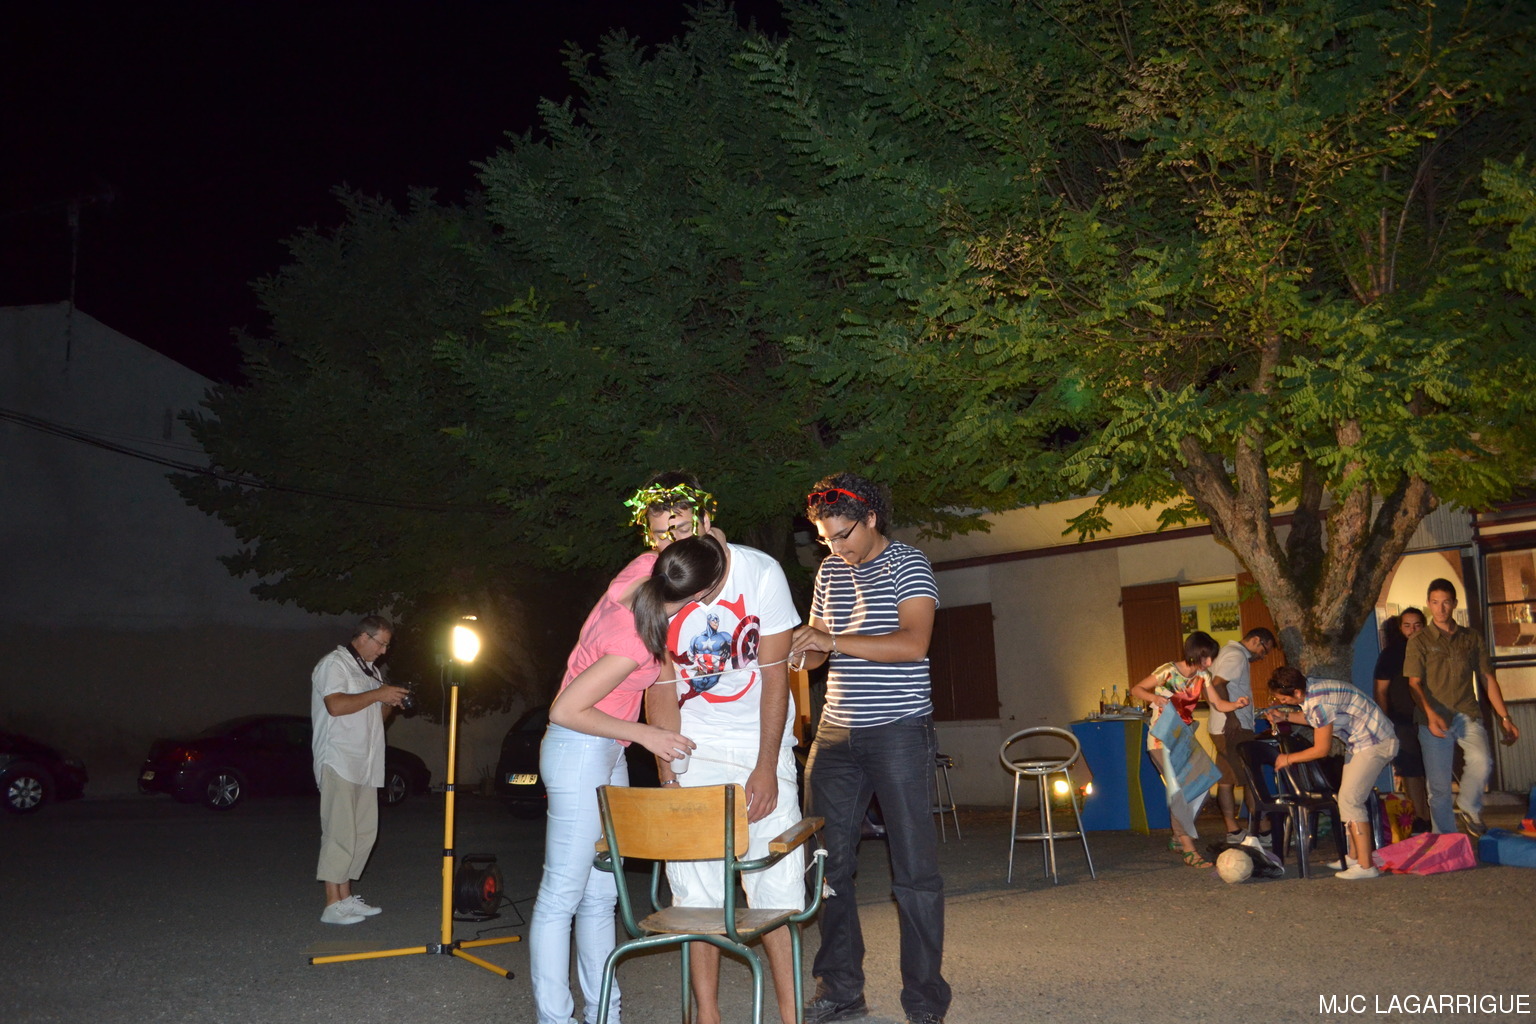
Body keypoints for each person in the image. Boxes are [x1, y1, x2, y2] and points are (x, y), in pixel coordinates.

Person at [529, 537, 719, 1024]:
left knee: (601, 896)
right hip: (578, 748)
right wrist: (648, 735)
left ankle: (604, 1015)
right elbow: (565, 709)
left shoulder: (642, 568)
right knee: (561, 896)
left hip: (605, 749)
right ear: (700, 596)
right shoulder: (633, 640)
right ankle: (555, 1018)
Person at [789, 472, 950, 1024]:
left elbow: (913, 643)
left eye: (842, 535)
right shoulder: (830, 572)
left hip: (899, 729)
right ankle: (840, 987)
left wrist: (831, 640)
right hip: (835, 732)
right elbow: (818, 651)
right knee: (824, 865)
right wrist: (801, 649)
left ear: (871, 518)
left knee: (914, 871)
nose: (835, 548)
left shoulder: (909, 563)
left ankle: (925, 1001)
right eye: (825, 539)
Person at [640, 510, 802, 1024]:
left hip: (761, 741)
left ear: (706, 517)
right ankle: (707, 1016)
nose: (670, 540)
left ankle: (791, 1015)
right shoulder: (657, 585)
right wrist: (669, 774)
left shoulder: (761, 572)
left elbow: (775, 676)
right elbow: (660, 685)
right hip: (694, 747)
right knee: (697, 895)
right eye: (659, 533)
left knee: (776, 890)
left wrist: (766, 765)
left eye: (679, 527)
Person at [310, 615, 408, 925]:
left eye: (387, 646)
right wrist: (379, 694)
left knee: (363, 833)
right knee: (339, 832)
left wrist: (390, 702)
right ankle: (332, 905)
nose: (384, 652)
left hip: (366, 763)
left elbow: (375, 719)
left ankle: (346, 898)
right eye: (382, 644)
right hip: (339, 759)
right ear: (364, 637)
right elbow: (336, 706)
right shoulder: (334, 663)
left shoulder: (371, 671)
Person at [1404, 578, 1521, 836]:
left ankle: (1468, 804)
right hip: (1432, 717)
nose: (1441, 608)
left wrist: (1505, 717)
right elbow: (1414, 683)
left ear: (1454, 603)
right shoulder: (1419, 640)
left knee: (1482, 760)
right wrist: (1430, 714)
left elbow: (1487, 678)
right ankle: (1446, 839)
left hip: (1466, 711)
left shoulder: (1471, 637)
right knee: (1439, 788)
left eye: (1446, 602)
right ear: (1428, 604)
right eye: (1435, 603)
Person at [1264, 667, 1399, 879]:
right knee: (1347, 798)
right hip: (1362, 743)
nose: (1283, 702)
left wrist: (1287, 758)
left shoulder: (1319, 702)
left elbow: (1321, 749)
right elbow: (1317, 720)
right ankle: (1354, 856)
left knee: (1350, 800)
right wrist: (1285, 716)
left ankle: (1366, 866)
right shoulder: (1312, 687)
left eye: (1284, 699)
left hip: (1375, 742)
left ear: (1297, 692)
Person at [1128, 631, 1246, 868]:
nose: (1209, 663)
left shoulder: (1203, 676)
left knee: (1203, 785)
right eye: (1205, 657)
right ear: (1194, 654)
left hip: (1184, 739)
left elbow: (1217, 703)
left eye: (1211, 658)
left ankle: (1177, 836)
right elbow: (1136, 689)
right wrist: (1154, 698)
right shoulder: (1168, 671)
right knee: (1180, 792)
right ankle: (1189, 849)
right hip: (1161, 740)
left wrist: (1235, 704)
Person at [1207, 627, 1276, 843]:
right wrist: (1232, 716)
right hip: (1234, 728)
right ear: (1256, 640)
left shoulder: (1226, 652)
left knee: (1226, 780)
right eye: (1264, 650)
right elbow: (1218, 684)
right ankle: (1263, 830)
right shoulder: (1236, 656)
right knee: (1251, 778)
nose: (1262, 656)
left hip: (1220, 727)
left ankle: (1234, 831)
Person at [1372, 609, 1432, 832]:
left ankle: (1434, 815)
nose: (1412, 630)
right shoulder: (1391, 654)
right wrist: (1385, 722)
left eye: (1417, 625)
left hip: (1430, 718)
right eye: (1407, 625)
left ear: (1424, 625)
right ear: (1400, 628)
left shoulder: (1431, 650)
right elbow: (1380, 690)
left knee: (1433, 768)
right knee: (1410, 769)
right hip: (1402, 719)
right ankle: (1420, 817)